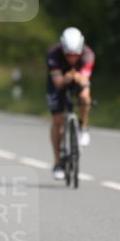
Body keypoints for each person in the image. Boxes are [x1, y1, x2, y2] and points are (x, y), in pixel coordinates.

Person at [46, 27, 94, 180]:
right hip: (58, 83)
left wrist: (78, 78)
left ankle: (84, 127)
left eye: (75, 55)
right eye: (68, 55)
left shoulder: (88, 54)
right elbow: (58, 82)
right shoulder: (53, 54)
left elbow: (85, 80)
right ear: (62, 49)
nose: (72, 58)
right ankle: (58, 162)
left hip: (78, 81)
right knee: (57, 120)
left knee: (85, 97)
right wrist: (67, 78)